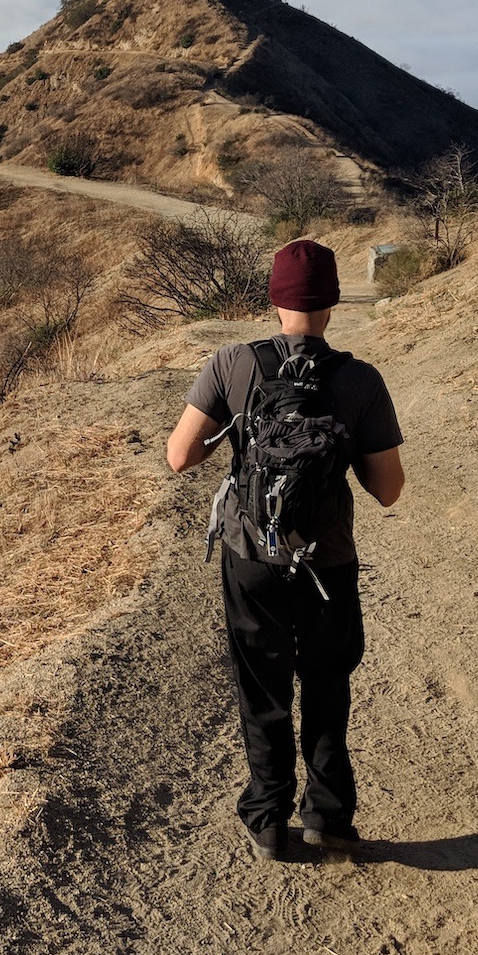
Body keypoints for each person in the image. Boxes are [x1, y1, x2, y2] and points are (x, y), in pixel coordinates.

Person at [164, 238, 405, 861]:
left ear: (274, 301)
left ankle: (268, 815)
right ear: (333, 302)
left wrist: (235, 431)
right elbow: (388, 491)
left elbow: (179, 456)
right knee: (327, 686)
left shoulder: (230, 365)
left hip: (251, 555)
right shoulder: (360, 380)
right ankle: (328, 815)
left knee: (261, 687)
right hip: (327, 563)